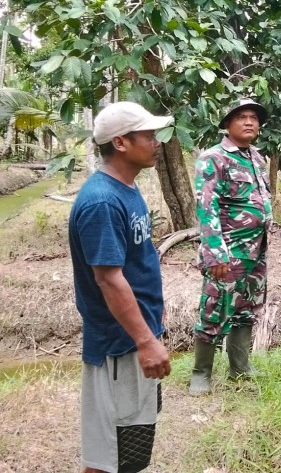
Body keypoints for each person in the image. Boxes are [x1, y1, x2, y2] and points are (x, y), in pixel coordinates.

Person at [69, 101, 174, 473]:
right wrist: (146, 342)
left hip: (134, 337)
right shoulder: (101, 202)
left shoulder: (125, 189)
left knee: (129, 451)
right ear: (121, 142)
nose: (156, 141)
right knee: (109, 456)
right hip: (120, 344)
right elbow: (108, 279)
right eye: (147, 134)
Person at [189, 97, 272, 396]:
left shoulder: (258, 158)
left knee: (247, 308)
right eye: (241, 117)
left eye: (253, 117)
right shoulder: (213, 158)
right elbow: (206, 207)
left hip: (256, 250)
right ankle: (201, 374)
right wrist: (215, 251)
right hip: (228, 251)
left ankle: (240, 367)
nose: (249, 122)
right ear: (227, 124)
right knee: (214, 309)